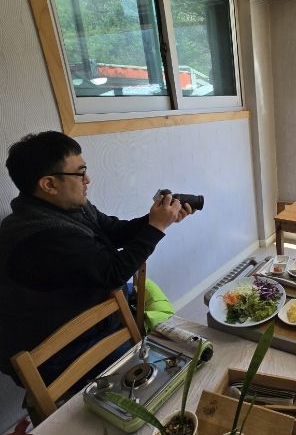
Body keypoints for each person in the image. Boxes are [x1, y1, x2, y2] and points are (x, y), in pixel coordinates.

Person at [0, 131, 195, 387]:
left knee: (172, 355)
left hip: (92, 314)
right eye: (80, 173)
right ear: (49, 184)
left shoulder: (67, 206)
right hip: (61, 350)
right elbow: (114, 273)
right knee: (161, 380)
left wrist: (157, 218)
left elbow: (114, 231)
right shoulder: (40, 235)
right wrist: (156, 227)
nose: (87, 179)